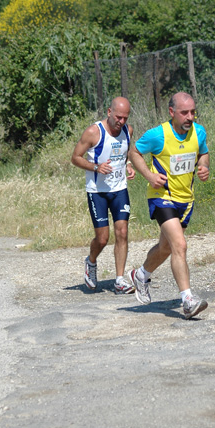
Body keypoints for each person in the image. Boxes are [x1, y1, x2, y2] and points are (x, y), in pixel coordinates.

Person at [128, 91, 210, 319]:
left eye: (193, 112)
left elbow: (203, 153)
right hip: (161, 196)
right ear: (172, 112)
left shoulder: (198, 132)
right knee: (180, 246)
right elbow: (134, 152)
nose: (190, 117)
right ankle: (188, 300)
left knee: (167, 248)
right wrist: (149, 176)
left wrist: (204, 167)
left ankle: (141, 275)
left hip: (186, 199)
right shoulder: (158, 135)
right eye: (185, 112)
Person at [71, 96, 136, 294]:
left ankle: (119, 280)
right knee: (102, 238)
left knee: (122, 232)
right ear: (109, 112)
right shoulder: (93, 132)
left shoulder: (128, 130)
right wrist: (96, 167)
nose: (121, 122)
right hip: (97, 191)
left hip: (119, 189)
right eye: (118, 117)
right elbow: (75, 158)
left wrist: (129, 165)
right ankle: (91, 262)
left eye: (125, 118)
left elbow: (126, 152)